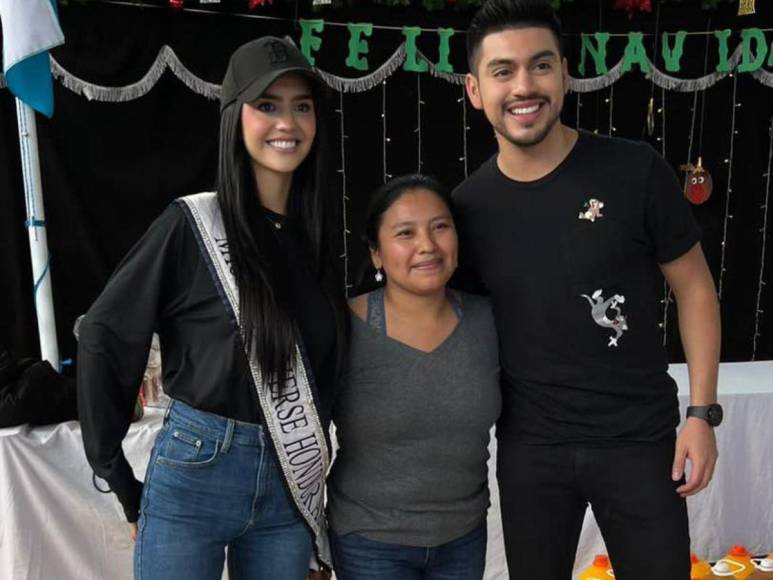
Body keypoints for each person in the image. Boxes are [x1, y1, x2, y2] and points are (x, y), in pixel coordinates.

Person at [454, 1, 721, 577]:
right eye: (503, 71)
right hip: (531, 450)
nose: (524, 86)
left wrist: (701, 412)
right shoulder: (467, 208)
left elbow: (696, 289)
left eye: (540, 65)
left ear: (566, 73)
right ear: (475, 89)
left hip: (641, 441)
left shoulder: (634, 170)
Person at [77, 36, 347, 580]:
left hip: (288, 491)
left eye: (302, 106)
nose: (286, 123)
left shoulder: (314, 237)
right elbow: (104, 333)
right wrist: (119, 476)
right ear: (234, 117)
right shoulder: (190, 225)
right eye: (267, 105)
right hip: (197, 468)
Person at [327, 174, 502, 580]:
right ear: (376, 253)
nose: (427, 245)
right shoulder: (342, 326)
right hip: (369, 541)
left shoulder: (489, 319)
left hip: (463, 536)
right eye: (405, 233)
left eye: (440, 227)